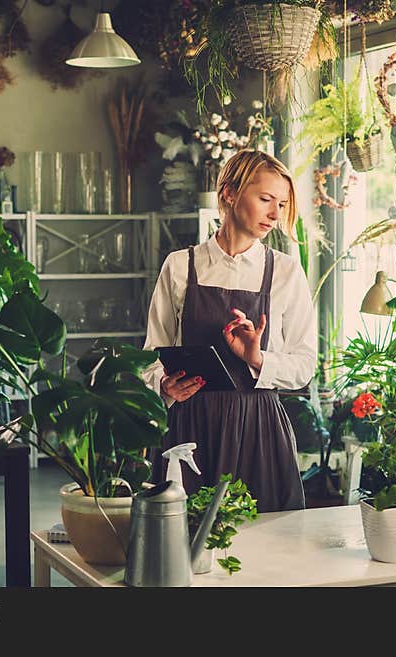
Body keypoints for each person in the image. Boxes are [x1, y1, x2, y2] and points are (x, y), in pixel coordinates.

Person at [142, 150, 316, 513]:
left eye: (282, 204)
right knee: (184, 543)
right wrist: (163, 385)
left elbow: (304, 364)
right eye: (265, 199)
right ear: (229, 195)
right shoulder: (180, 266)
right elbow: (152, 353)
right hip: (190, 427)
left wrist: (257, 358)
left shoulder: (285, 272)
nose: (274, 213)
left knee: (267, 547)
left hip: (258, 429)